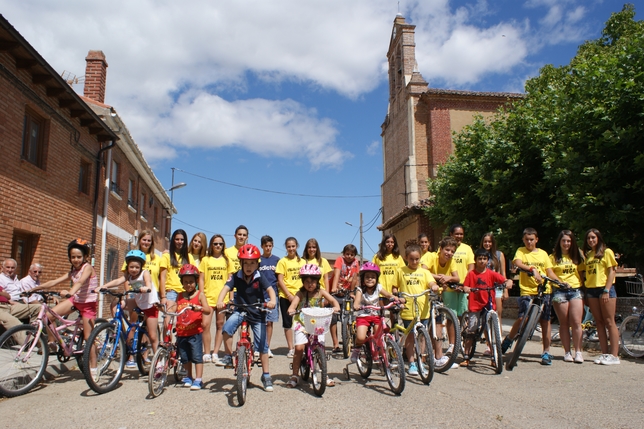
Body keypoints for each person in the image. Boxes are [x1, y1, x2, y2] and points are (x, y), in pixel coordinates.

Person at [217, 244, 276, 392]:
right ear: (241, 263)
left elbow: (270, 289)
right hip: (240, 310)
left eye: (252, 263)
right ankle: (229, 355)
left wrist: (272, 301)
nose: (249, 266)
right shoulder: (236, 276)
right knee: (227, 329)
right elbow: (225, 288)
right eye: (246, 263)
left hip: (257, 312)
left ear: (257, 264)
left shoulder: (259, 276)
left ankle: (266, 375)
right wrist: (220, 300)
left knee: (262, 345)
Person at [42, 239, 100, 376]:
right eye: (73, 257)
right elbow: (55, 281)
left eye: (79, 257)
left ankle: (94, 366)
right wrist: (36, 288)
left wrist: (70, 292)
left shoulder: (88, 268)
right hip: (75, 300)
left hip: (88, 305)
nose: (75, 259)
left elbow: (80, 282)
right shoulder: (73, 271)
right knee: (47, 316)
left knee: (88, 338)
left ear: (85, 257)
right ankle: (53, 342)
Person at [504, 228, 560, 365]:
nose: (529, 242)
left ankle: (546, 351)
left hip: (544, 290)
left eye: (532, 239)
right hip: (527, 290)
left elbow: (549, 272)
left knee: (545, 321)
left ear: (536, 240)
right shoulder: (521, 251)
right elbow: (517, 262)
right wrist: (532, 269)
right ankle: (509, 340)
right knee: (523, 317)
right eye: (527, 240)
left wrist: (560, 281)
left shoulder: (543, 254)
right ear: (523, 240)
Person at [99, 250, 160, 368]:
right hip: (137, 302)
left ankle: (159, 361)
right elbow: (118, 281)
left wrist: (146, 287)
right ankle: (118, 329)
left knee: (152, 336)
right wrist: (104, 286)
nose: (134, 269)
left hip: (149, 305)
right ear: (128, 266)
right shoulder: (128, 275)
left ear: (141, 266)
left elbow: (148, 282)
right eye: (131, 267)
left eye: (137, 267)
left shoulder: (145, 273)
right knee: (116, 303)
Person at [286, 264, 339, 388]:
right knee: (299, 348)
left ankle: (324, 375)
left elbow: (333, 301)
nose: (310, 284)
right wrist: (291, 309)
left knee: (320, 347)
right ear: (303, 282)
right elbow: (292, 306)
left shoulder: (321, 292)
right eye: (307, 281)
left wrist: (336, 307)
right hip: (302, 323)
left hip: (317, 323)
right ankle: (294, 375)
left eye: (313, 281)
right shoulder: (300, 293)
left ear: (317, 281)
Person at [459, 248, 513, 367]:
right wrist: (466, 288)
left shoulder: (491, 273)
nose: (482, 261)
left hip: (488, 304)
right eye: (480, 259)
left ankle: (494, 356)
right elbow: (465, 286)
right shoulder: (471, 274)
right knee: (472, 329)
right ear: (476, 260)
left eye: (484, 259)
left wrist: (508, 282)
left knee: (491, 331)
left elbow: (504, 279)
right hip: (475, 305)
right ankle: (466, 355)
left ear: (488, 261)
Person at [394, 242, 439, 375]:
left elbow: (431, 282)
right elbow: (395, 287)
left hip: (423, 309)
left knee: (422, 337)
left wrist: (433, 286)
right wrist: (396, 295)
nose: (414, 261)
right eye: (411, 259)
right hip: (408, 309)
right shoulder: (400, 271)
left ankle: (420, 360)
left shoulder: (424, 272)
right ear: (406, 257)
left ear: (420, 258)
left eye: (417, 259)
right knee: (411, 337)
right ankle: (412, 363)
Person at [580, 229, 620, 365]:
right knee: (599, 322)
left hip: (604, 289)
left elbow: (612, 272)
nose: (591, 240)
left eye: (593, 238)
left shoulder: (606, 252)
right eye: (588, 238)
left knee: (609, 321)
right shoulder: (589, 255)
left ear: (598, 238)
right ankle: (605, 354)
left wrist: (606, 290)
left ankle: (614, 355)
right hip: (591, 290)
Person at [350, 262, 401, 363]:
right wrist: (356, 305)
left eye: (373, 277)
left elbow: (388, 295)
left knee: (380, 335)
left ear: (376, 279)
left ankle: (381, 354)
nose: (370, 279)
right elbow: (357, 301)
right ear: (363, 278)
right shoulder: (360, 290)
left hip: (376, 315)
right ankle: (357, 349)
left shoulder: (379, 287)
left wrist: (396, 299)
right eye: (367, 277)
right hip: (363, 316)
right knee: (360, 337)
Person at [422, 237, 459, 366]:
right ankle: (422, 355)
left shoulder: (451, 261)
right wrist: (439, 277)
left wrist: (447, 278)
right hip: (423, 292)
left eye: (452, 251)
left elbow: (456, 277)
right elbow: (423, 270)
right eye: (447, 250)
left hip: (437, 294)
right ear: (440, 249)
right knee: (424, 323)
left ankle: (438, 356)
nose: (449, 253)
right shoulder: (430, 256)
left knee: (437, 321)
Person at [199, 234, 235, 366]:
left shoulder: (227, 260)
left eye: (220, 243)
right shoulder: (205, 260)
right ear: (211, 245)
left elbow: (231, 280)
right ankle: (206, 352)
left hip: (222, 298)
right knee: (205, 325)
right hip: (208, 297)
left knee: (220, 325)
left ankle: (215, 352)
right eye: (215, 244)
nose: (218, 246)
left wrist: (231, 298)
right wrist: (201, 294)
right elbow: (201, 279)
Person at [550, 230, 584, 364]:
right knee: (564, 323)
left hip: (575, 291)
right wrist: (559, 281)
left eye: (569, 241)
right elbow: (549, 272)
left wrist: (583, 290)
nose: (566, 243)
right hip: (560, 291)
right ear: (559, 242)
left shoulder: (576, 256)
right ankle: (567, 352)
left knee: (576, 322)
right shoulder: (553, 257)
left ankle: (578, 352)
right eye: (563, 241)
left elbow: (581, 273)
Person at [175, 264, 211, 390]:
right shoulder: (179, 296)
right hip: (181, 332)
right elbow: (173, 308)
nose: (189, 284)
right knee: (185, 357)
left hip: (195, 332)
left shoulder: (199, 295)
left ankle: (199, 379)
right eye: (186, 282)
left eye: (191, 282)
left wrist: (199, 308)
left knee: (196, 356)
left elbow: (208, 309)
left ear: (196, 281)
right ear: (182, 283)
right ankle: (189, 377)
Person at [276, 237, 305, 357]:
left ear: (297, 246)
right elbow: (280, 280)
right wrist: (288, 295)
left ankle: (301, 345)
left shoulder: (303, 262)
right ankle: (291, 348)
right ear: (286, 247)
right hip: (285, 296)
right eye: (289, 246)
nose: (291, 248)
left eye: (293, 246)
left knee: (302, 322)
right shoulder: (283, 261)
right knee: (287, 323)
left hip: (301, 296)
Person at [329, 244, 360, 353]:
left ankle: (347, 340)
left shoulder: (356, 262)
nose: (349, 256)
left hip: (347, 292)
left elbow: (355, 277)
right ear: (343, 254)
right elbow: (336, 274)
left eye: (352, 254)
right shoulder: (339, 260)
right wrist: (333, 288)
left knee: (347, 316)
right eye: (347, 254)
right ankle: (336, 344)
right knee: (333, 318)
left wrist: (352, 291)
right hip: (336, 291)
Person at [0, 259, 41, 339]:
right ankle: (29, 342)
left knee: (39, 308)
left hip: (14, 305)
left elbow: (8, 294)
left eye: (12, 268)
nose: (10, 270)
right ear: (2, 267)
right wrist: (11, 300)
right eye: (8, 267)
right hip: (9, 304)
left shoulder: (15, 278)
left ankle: (34, 334)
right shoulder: (1, 278)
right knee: (13, 322)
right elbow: (7, 296)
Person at [480, 232, 508, 337]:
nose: (487, 244)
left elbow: (503, 273)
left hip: (497, 287)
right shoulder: (479, 255)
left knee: (497, 315)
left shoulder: (499, 255)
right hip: (483, 288)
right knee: (485, 317)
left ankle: (498, 340)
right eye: (485, 241)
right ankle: (489, 344)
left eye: (489, 241)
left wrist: (506, 290)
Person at [159, 229, 194, 314]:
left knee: (184, 321)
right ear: (173, 240)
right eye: (177, 239)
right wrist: (163, 296)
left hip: (186, 292)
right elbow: (162, 277)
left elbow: (194, 276)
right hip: (171, 292)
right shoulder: (167, 256)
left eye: (182, 239)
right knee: (168, 319)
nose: (179, 242)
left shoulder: (189, 257)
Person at [258, 235, 280, 358]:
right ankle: (258, 347)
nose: (268, 248)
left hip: (272, 296)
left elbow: (279, 278)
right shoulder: (258, 260)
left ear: (272, 246)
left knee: (269, 323)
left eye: (270, 246)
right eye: (265, 246)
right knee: (259, 322)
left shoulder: (277, 260)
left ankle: (267, 346)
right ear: (262, 246)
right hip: (259, 296)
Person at [447, 224, 475, 317]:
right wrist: (451, 284)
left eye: (461, 234)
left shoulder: (467, 248)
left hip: (464, 287)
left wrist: (465, 285)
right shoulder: (446, 248)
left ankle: (462, 332)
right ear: (451, 234)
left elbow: (471, 268)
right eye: (457, 234)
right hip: (449, 288)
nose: (459, 236)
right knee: (451, 317)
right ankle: (454, 332)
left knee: (463, 315)